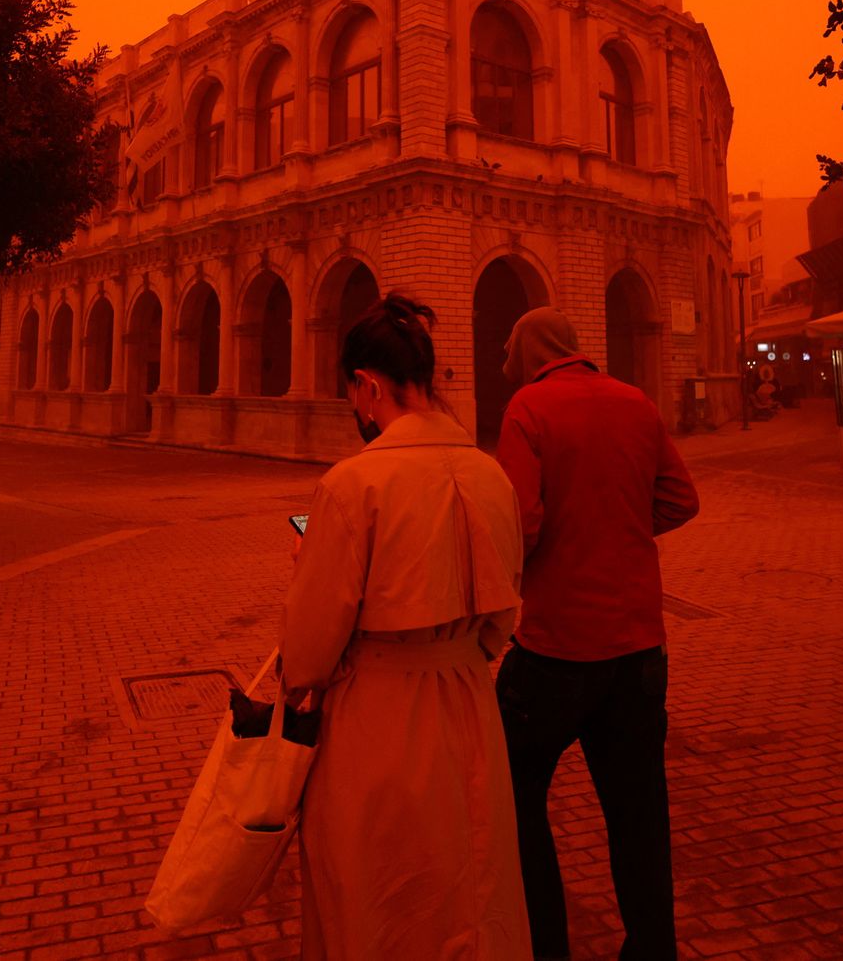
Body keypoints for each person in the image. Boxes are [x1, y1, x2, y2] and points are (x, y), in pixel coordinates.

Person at [280, 293, 533, 961]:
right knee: (471, 888)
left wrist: (310, 566)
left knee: (380, 898)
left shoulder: (353, 483)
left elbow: (306, 653)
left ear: (367, 386)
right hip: (469, 703)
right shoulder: (490, 474)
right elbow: (501, 618)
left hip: (379, 717)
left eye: (352, 395)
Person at [494, 307, 699, 961]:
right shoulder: (634, 402)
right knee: (639, 811)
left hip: (555, 648)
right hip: (640, 647)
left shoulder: (528, 409)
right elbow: (680, 498)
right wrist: (618, 529)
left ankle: (545, 944)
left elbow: (519, 525)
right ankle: (651, 947)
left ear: (529, 353)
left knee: (513, 792)